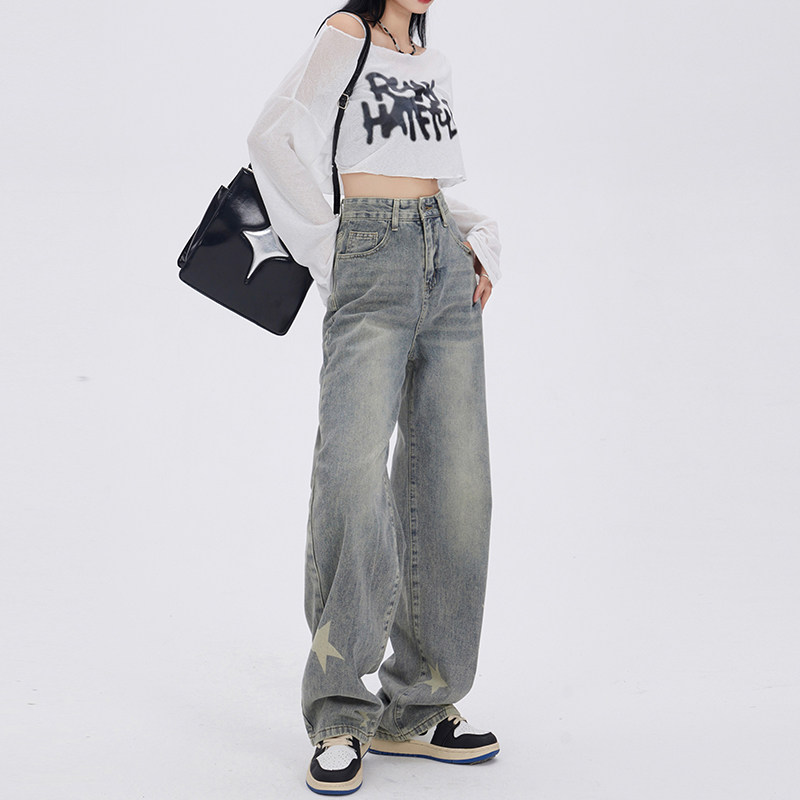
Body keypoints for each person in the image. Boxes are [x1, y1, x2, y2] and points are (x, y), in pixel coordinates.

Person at [247, 1, 502, 793]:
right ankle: (339, 710)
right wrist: (340, 250)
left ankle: (419, 705)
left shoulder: (429, 58)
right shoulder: (346, 36)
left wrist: (477, 240)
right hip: (368, 260)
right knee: (352, 479)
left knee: (456, 486)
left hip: (443, 264)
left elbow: (424, 180)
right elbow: (272, 138)